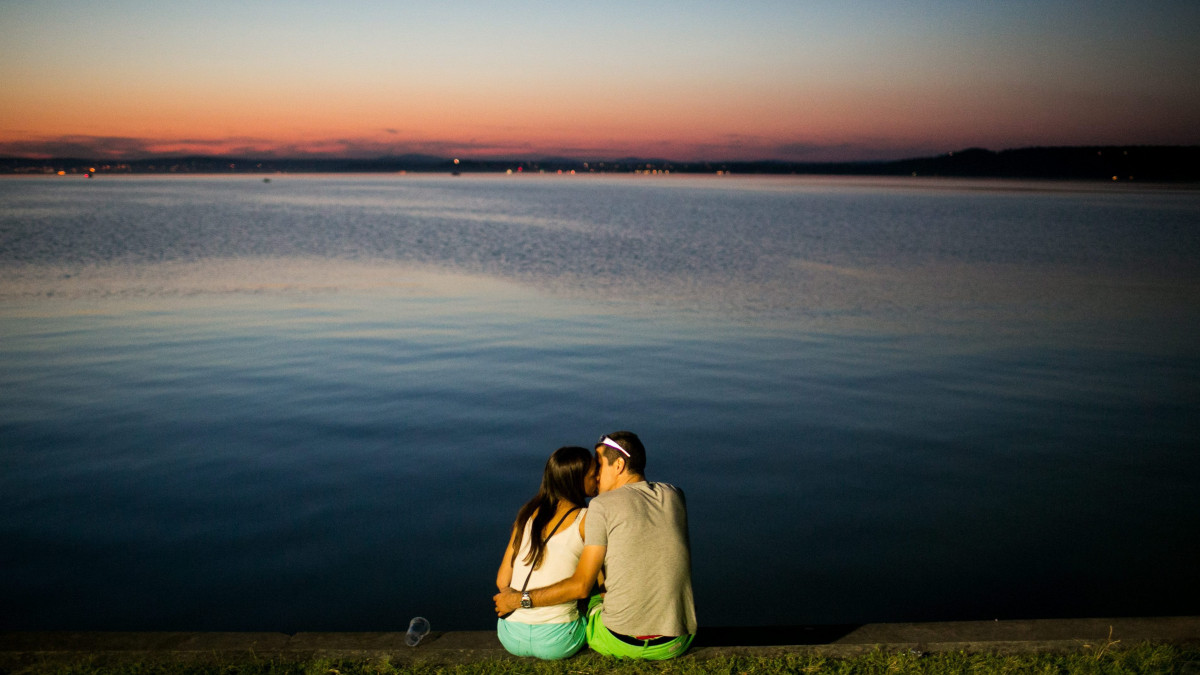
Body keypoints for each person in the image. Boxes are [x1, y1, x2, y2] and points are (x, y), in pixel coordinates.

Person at [494, 431, 696, 660]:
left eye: (599, 465)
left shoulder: (600, 506)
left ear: (619, 465)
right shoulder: (674, 495)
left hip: (618, 642)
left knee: (591, 595)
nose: (597, 476)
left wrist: (516, 599)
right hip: (676, 641)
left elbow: (580, 586)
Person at [494, 445, 598, 659]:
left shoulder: (526, 514)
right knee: (598, 602)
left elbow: (503, 581)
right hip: (559, 640)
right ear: (575, 481)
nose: (597, 478)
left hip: (510, 635)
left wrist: (516, 600)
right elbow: (584, 587)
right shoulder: (587, 519)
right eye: (592, 474)